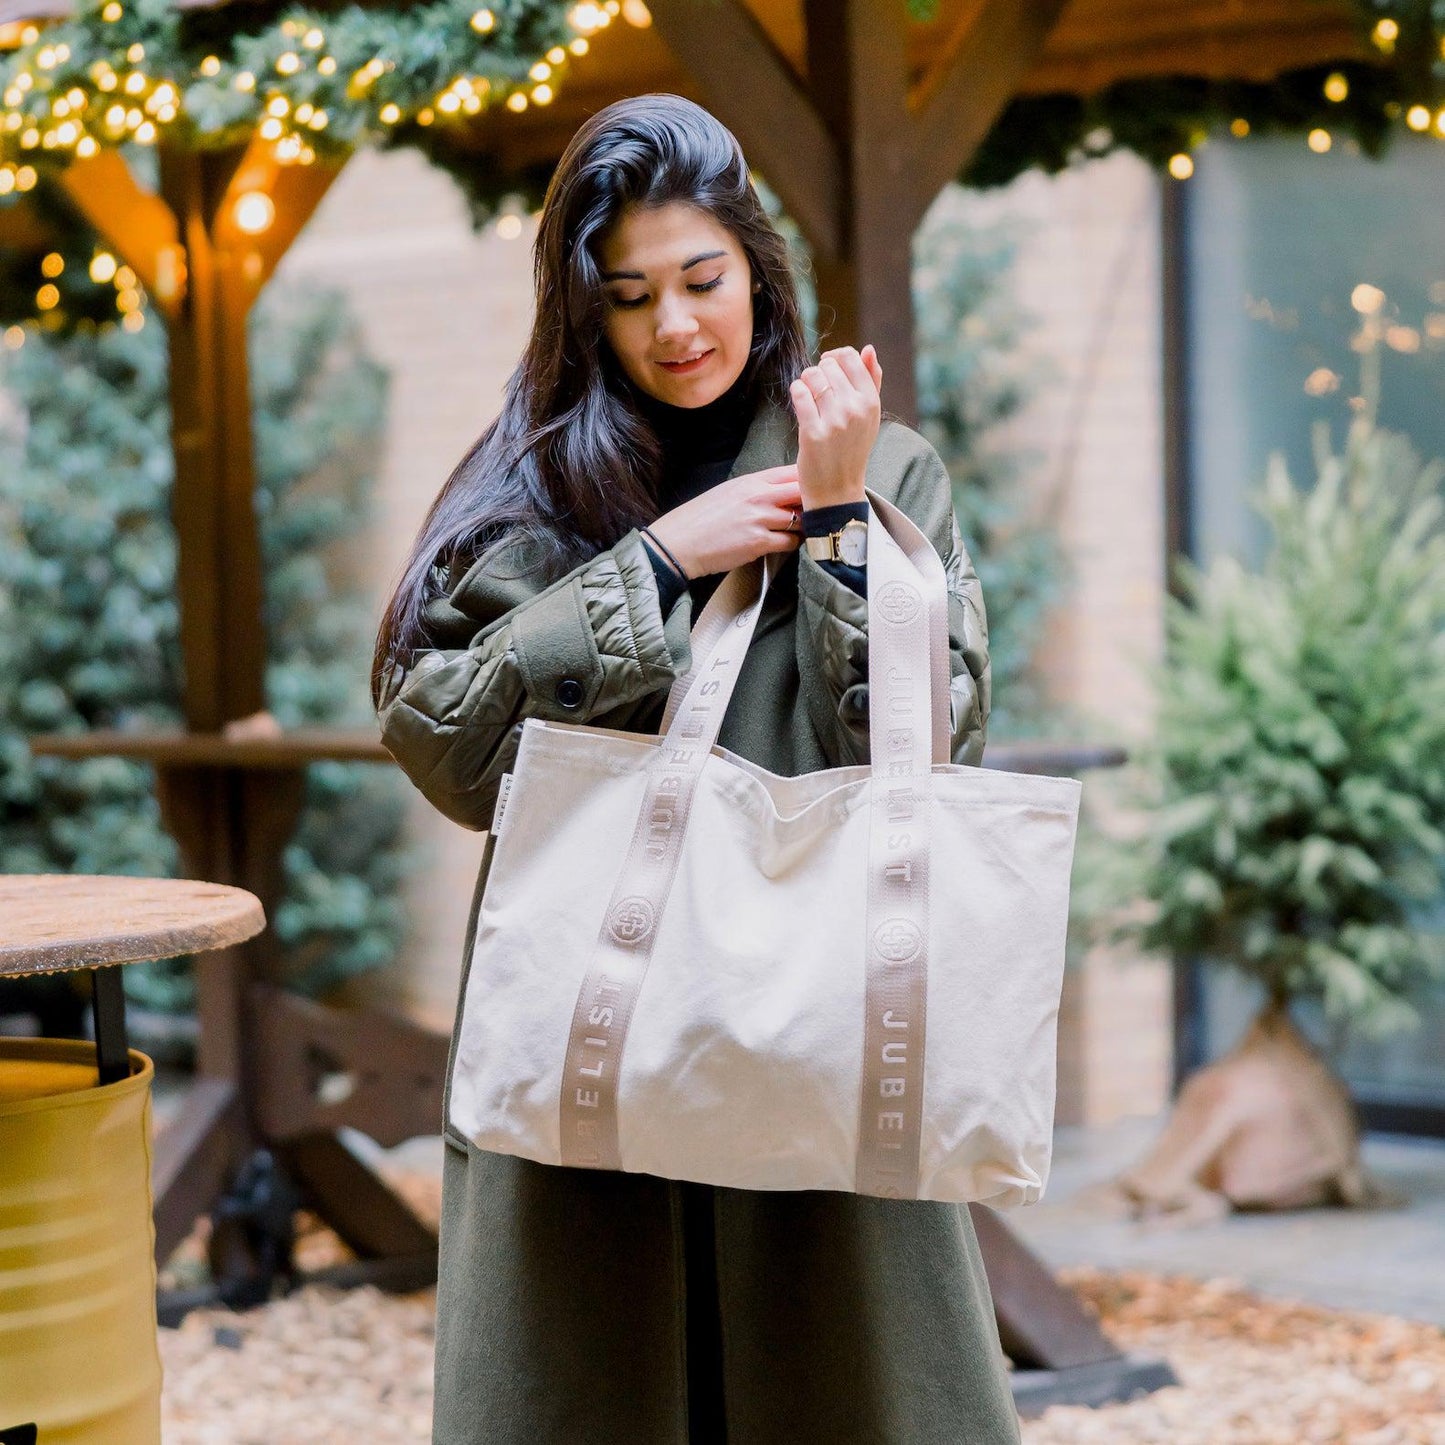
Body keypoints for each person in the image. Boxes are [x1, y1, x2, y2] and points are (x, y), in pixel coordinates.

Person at [372, 93, 1016, 1445]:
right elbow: (443, 743)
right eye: (628, 295)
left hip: (812, 1014)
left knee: (840, 1380)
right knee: (591, 1384)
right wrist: (660, 559)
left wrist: (835, 515)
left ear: (753, 265)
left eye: (700, 279)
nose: (674, 326)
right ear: (580, 312)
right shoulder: (533, 486)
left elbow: (923, 738)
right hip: (587, 1023)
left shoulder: (886, 467)